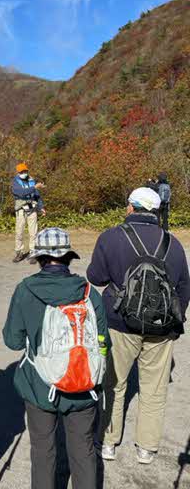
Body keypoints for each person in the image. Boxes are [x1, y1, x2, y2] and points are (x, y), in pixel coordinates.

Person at [88, 187, 190, 465]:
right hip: (162, 326)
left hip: (119, 322)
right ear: (156, 212)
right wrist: (171, 319)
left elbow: (95, 277)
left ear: (131, 208)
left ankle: (108, 442)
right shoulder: (173, 243)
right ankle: (146, 448)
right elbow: (183, 287)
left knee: (114, 384)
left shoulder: (110, 237)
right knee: (154, 389)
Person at [3, 227, 109, 489]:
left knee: (43, 450)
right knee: (84, 449)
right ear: (68, 258)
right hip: (85, 383)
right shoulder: (88, 292)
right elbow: (103, 341)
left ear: (39, 258)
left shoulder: (25, 290)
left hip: (41, 386)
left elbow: (12, 340)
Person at [12, 163, 46, 263]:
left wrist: (41, 207)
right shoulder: (15, 182)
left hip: (32, 209)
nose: (24, 173)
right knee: (19, 232)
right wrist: (35, 187)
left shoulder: (32, 181)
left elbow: (37, 195)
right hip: (21, 210)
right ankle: (19, 253)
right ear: (18, 172)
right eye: (22, 172)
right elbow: (21, 193)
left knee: (33, 232)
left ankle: (33, 253)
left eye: (25, 171)